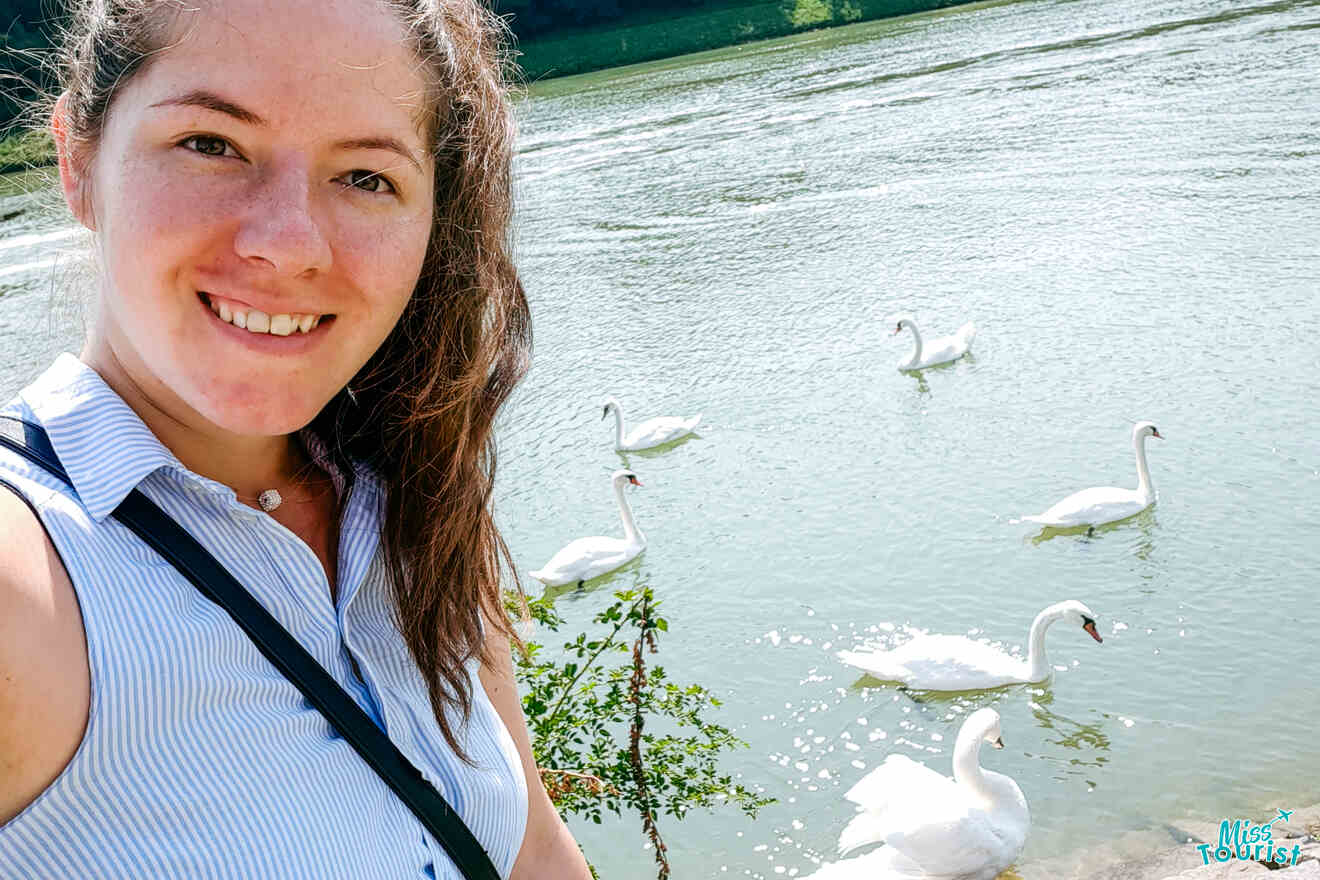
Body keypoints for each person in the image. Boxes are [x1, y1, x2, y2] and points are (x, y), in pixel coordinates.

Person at [0, 0, 591, 876]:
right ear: (78, 161)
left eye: (365, 177)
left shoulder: (407, 508)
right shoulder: (26, 587)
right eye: (210, 144)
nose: (288, 244)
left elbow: (536, 852)